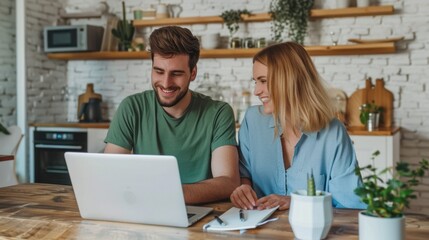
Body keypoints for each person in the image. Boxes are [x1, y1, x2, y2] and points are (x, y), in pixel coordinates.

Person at [104, 26, 240, 204]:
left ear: (193, 73)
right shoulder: (132, 107)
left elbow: (228, 182)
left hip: (201, 216)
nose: (166, 83)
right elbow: (109, 173)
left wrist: (172, 194)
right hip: (146, 208)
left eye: (176, 74)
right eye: (159, 71)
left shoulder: (218, 113)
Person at [230, 42, 366, 210]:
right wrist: (243, 188)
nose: (256, 91)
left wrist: (297, 202)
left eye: (263, 81)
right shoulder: (252, 120)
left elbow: (351, 205)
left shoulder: (333, 132)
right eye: (255, 82)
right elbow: (245, 174)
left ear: (290, 80)